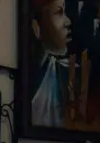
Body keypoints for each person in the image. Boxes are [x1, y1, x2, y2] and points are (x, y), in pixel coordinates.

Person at [29, 0, 71, 129]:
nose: (68, 22)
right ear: (37, 28)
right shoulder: (32, 77)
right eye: (58, 12)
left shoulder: (73, 72)